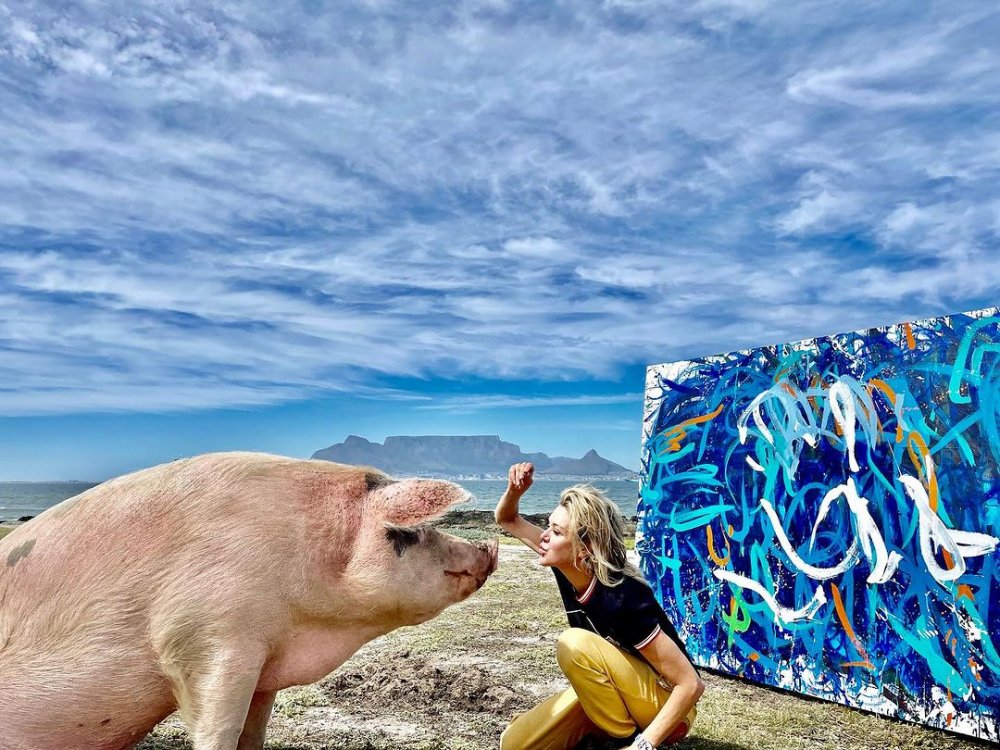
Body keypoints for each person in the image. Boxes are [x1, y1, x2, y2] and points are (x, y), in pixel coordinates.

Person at [496, 462, 703, 750]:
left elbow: (690, 684)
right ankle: (608, 732)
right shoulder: (565, 565)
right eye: (548, 526)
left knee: (575, 643)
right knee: (515, 743)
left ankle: (621, 740)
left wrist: (642, 746)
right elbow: (508, 520)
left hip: (667, 707)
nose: (544, 536)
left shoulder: (622, 597)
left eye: (556, 532)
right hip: (617, 696)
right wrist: (514, 491)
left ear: (585, 548)